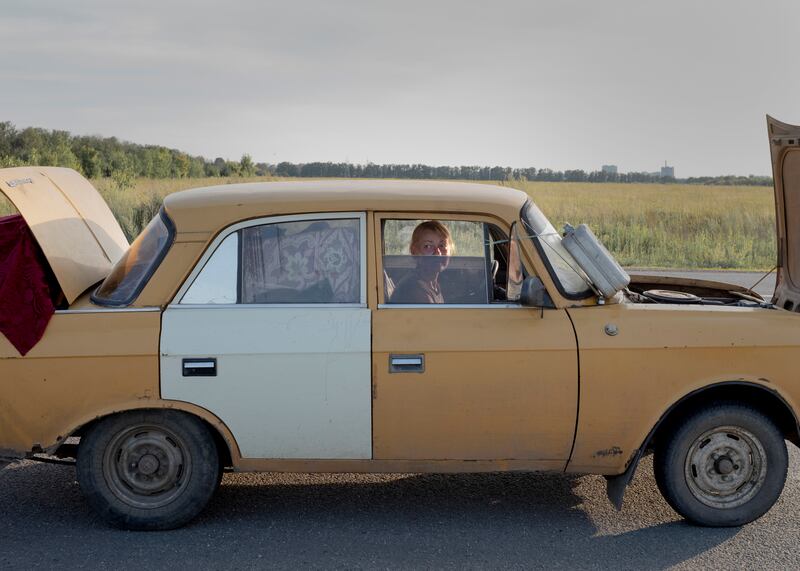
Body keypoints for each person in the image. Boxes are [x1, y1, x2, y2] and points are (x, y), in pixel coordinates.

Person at [389, 220, 453, 304]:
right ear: (414, 251)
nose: (438, 253)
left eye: (442, 245)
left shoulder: (432, 284)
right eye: (428, 246)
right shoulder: (414, 290)